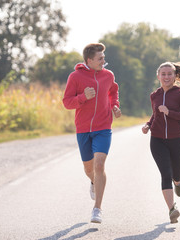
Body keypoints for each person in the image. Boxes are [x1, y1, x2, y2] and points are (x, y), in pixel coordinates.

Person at [63, 43, 121, 224]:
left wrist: (114, 106)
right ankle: (94, 182)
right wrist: (83, 97)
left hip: (103, 127)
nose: (104, 61)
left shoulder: (108, 75)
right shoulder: (75, 77)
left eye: (103, 57)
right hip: (83, 129)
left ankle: (97, 209)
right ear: (89, 60)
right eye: (100, 58)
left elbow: (113, 92)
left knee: (99, 165)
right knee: (89, 169)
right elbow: (67, 102)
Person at [142, 62, 180, 224]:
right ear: (158, 76)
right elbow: (155, 114)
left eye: (169, 74)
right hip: (157, 140)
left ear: (174, 76)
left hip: (177, 139)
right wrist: (148, 125)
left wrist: (169, 112)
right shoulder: (154, 95)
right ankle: (172, 208)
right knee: (165, 174)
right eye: (163, 74)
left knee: (176, 174)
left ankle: (177, 182)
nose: (166, 77)